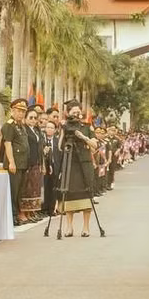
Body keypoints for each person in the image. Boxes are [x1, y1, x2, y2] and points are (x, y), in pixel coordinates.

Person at [59, 99, 97, 238]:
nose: (76, 114)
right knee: (69, 194)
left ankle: (86, 227)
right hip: (71, 163)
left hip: (85, 163)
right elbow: (60, 147)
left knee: (86, 193)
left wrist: (83, 137)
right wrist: (63, 130)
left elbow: (95, 145)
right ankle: (69, 227)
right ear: (68, 113)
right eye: (73, 112)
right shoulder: (65, 127)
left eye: (78, 112)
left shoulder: (87, 126)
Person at [1, 98, 31, 226]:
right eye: (19, 111)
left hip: (22, 163)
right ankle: (12, 216)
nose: (21, 113)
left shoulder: (21, 126)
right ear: (12, 110)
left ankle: (17, 214)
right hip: (14, 164)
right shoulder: (9, 125)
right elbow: (8, 144)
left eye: (23, 111)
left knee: (19, 192)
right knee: (13, 191)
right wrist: (11, 162)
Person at [21, 107, 44, 222]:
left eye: (35, 118)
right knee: (26, 189)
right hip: (27, 163)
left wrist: (41, 163)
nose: (33, 120)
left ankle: (31, 212)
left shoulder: (36, 130)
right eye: (31, 118)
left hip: (36, 162)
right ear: (25, 118)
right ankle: (24, 213)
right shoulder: (24, 130)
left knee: (34, 189)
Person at [42, 120, 62, 216]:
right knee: (45, 187)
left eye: (52, 128)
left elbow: (61, 156)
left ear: (55, 130)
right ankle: (44, 208)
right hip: (44, 167)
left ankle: (52, 209)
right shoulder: (42, 140)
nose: (49, 129)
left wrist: (61, 170)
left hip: (55, 167)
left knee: (54, 189)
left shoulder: (58, 142)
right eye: (48, 127)